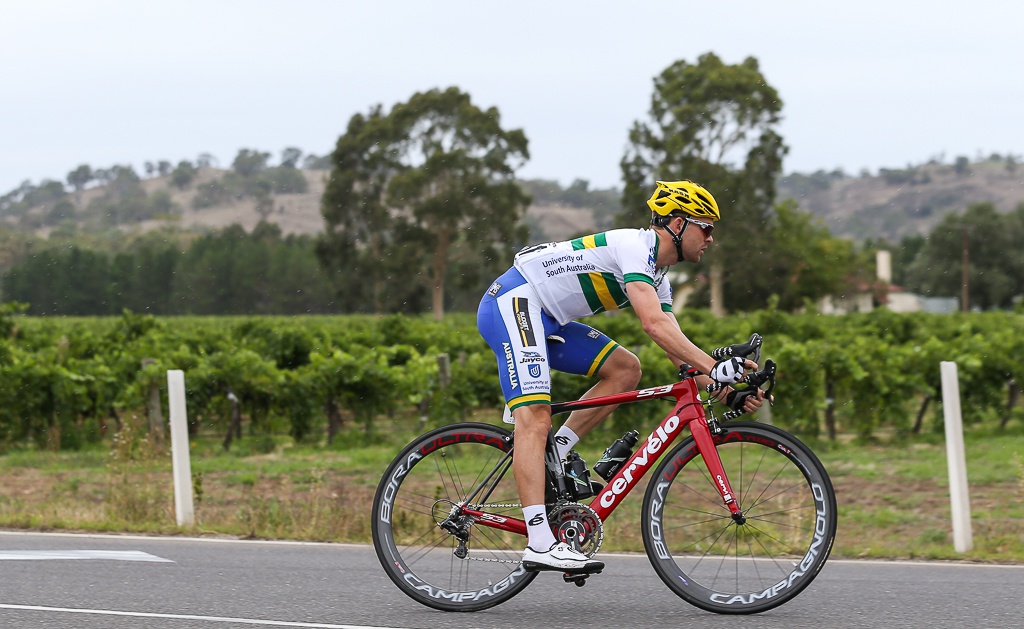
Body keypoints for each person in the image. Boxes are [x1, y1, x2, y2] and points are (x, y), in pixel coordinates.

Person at [476, 180, 767, 572]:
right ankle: (540, 543)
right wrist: (716, 367)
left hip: (547, 317)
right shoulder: (635, 247)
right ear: (679, 224)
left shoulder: (657, 276)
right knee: (535, 418)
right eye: (706, 227)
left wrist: (725, 390)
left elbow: (674, 348)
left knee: (626, 369)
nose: (711, 238)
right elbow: (652, 324)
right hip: (513, 304)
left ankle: (555, 454)